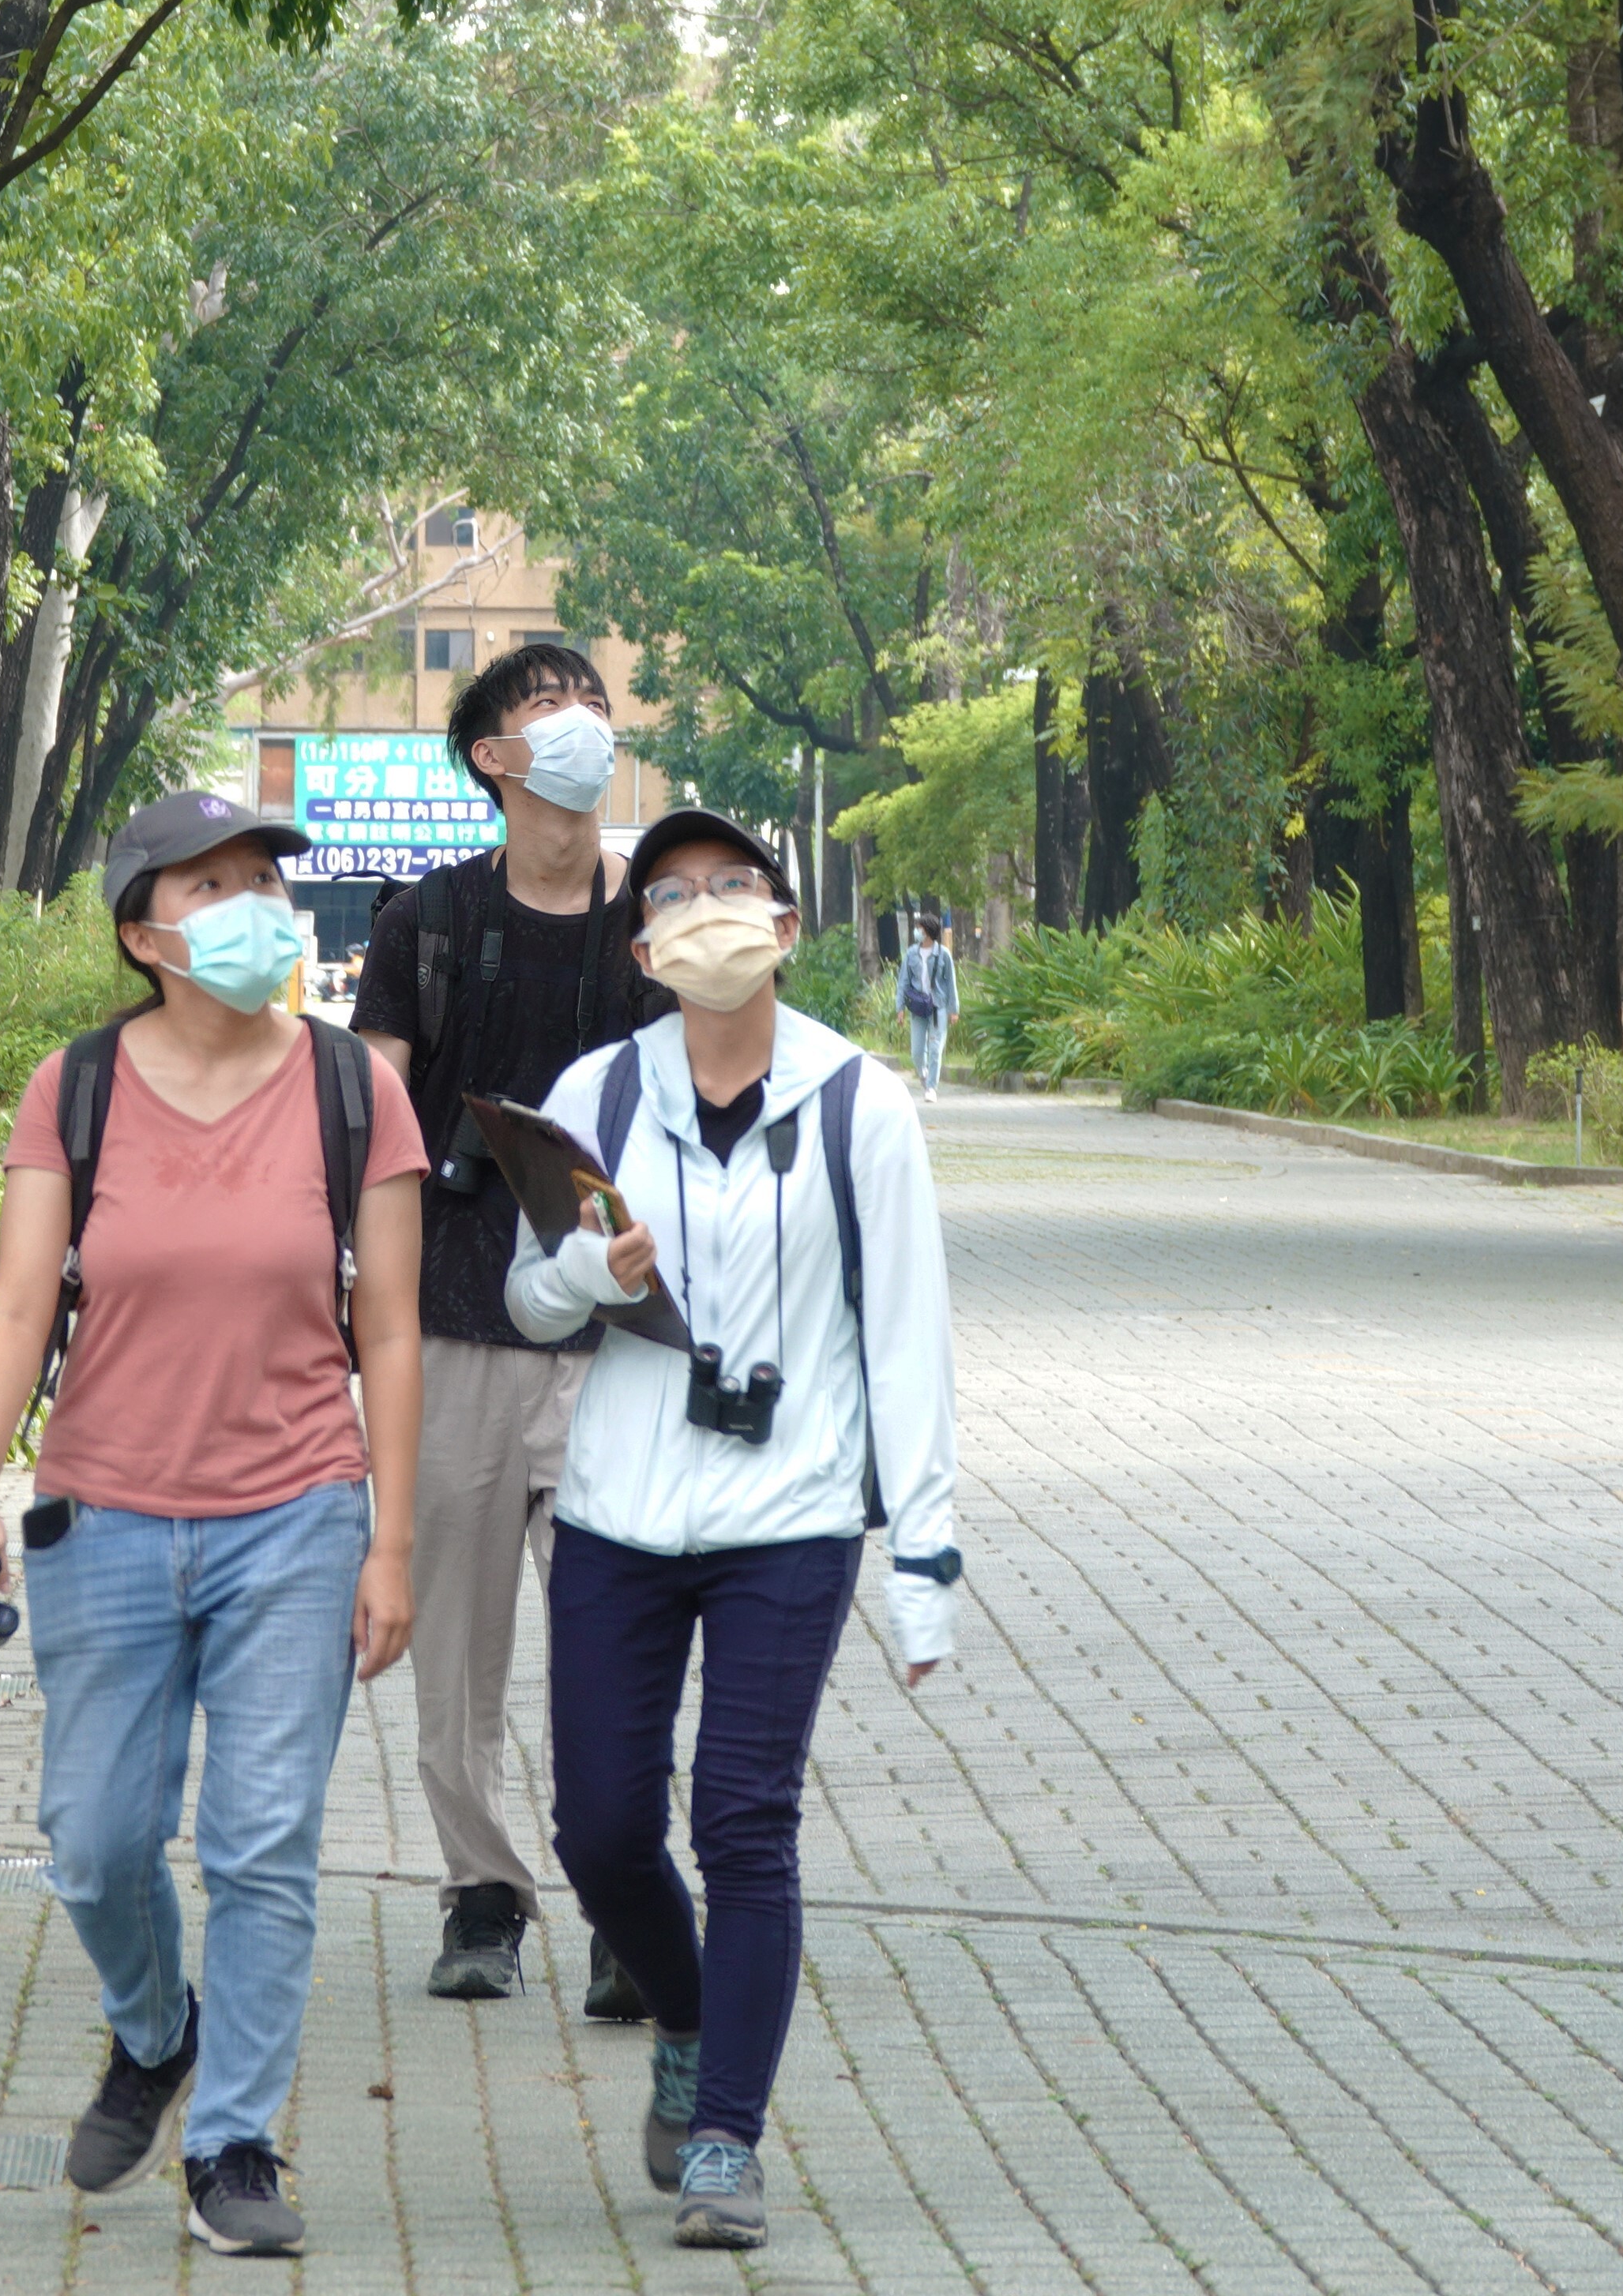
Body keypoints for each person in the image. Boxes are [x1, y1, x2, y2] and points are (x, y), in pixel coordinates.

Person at [0, 792, 428, 2260]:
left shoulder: (354, 1091)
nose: (249, 907)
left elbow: (390, 1330)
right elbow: (23, 1303)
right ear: (144, 930)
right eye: (209, 883)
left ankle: (232, 2144)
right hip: (103, 1513)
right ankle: (155, 2032)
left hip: (295, 1515)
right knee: (92, 1842)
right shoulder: (74, 1088)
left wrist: (390, 1540)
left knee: (263, 1842)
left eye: (261, 880)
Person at [505, 808, 961, 2250]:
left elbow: (908, 1342)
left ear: (781, 924)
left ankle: (724, 2139)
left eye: (732, 888)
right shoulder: (596, 1092)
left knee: (745, 1819)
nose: (705, 911)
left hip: (790, 1513)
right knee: (599, 1829)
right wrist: (588, 1264)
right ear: (642, 948)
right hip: (619, 1511)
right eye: (674, 896)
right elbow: (528, 1300)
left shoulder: (856, 1101)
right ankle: (688, 2012)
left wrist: (924, 1570)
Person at [350, 642, 663, 2008]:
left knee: (617, 1631)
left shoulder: (652, 922)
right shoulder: (423, 922)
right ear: (494, 757)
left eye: (590, 702)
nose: (582, 725)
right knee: (458, 1639)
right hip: (459, 1329)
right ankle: (481, 1890)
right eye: (549, 707)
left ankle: (621, 1893)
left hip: (618, 1348)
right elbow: (368, 1126)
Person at [899, 912, 958, 1101]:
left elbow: (951, 984)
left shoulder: (943, 954)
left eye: (920, 929)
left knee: (935, 1048)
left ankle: (932, 1087)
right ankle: (923, 1075)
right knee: (917, 1052)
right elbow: (903, 982)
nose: (917, 932)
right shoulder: (911, 954)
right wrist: (899, 1008)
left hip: (938, 1007)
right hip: (918, 1007)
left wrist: (953, 1009)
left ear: (929, 931)